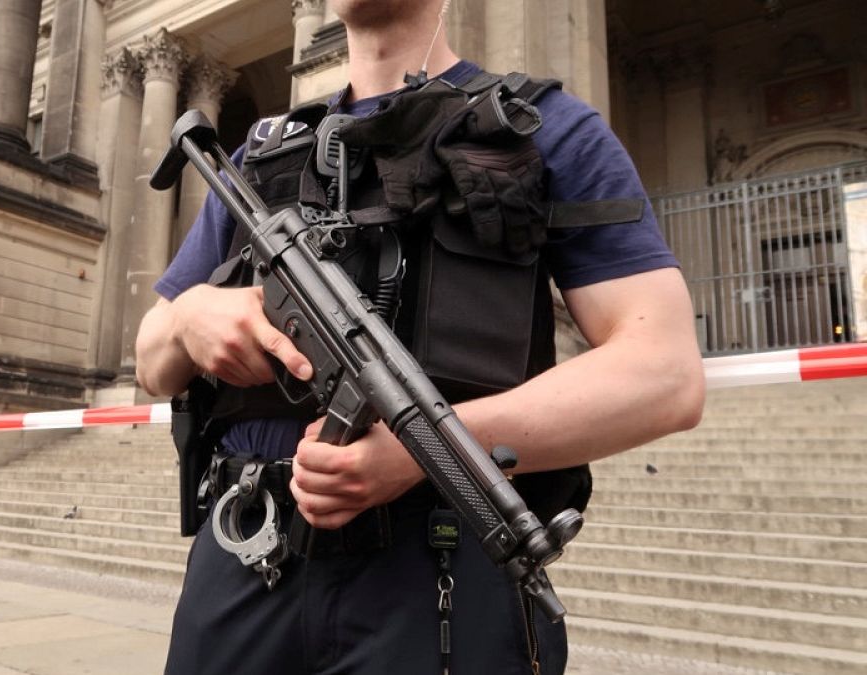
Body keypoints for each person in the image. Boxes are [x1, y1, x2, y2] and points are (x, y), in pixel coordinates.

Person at [134, 1, 707, 673]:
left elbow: (665, 373)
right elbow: (152, 358)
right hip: (245, 552)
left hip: (443, 565)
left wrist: (417, 454)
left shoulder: (545, 128)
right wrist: (190, 315)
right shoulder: (258, 154)